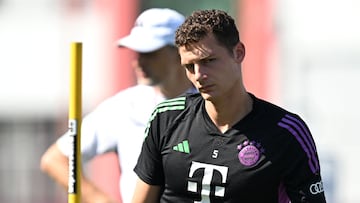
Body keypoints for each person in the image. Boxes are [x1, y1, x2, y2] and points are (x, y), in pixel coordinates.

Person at [131, 9, 327, 203]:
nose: (198, 75)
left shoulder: (286, 132)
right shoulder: (165, 118)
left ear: (238, 53)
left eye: (208, 61)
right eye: (190, 67)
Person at [40, 8, 196, 203]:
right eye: (138, 52)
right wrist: (101, 200)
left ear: (179, 53)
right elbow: (56, 159)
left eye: (150, 52)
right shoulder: (125, 106)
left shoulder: (212, 103)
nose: (138, 62)